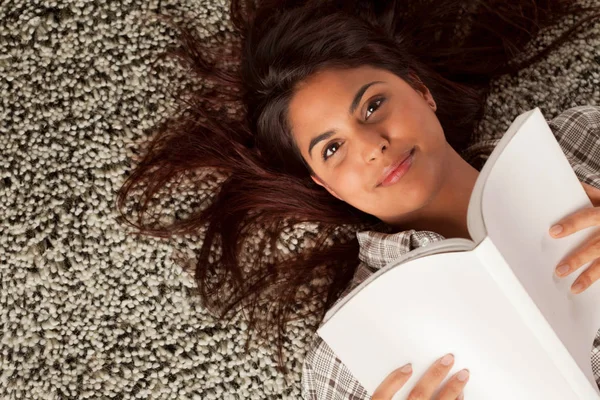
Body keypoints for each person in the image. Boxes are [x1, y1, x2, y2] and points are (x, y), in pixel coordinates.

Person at [117, 0, 600, 398]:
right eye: (332, 148)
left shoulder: (583, 141)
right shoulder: (348, 363)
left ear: (419, 89)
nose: (372, 147)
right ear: (323, 183)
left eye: (372, 105)